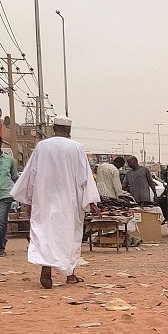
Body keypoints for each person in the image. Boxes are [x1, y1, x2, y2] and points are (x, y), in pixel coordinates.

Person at [10, 116, 100, 288]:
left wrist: (29, 201)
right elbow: (84, 178)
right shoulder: (76, 148)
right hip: (69, 201)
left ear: (53, 128)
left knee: (45, 234)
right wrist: (92, 202)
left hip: (44, 200)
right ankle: (70, 275)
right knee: (70, 236)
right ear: (69, 131)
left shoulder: (42, 146)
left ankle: (46, 267)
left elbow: (31, 175)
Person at [0, 140, 19, 257]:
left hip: (5, 194)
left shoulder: (9, 160)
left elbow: (15, 177)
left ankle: (1, 248)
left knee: (1, 221)